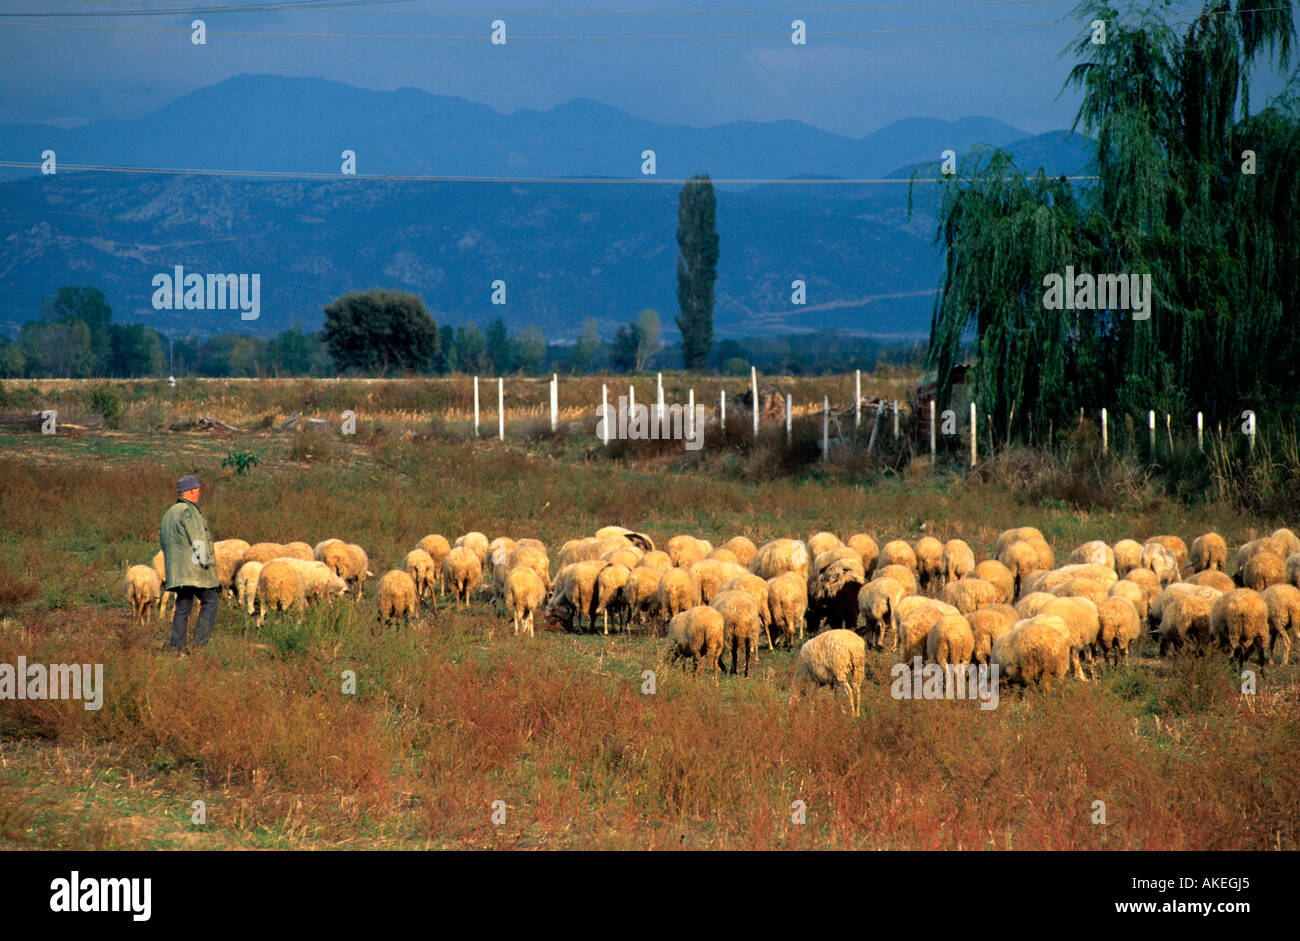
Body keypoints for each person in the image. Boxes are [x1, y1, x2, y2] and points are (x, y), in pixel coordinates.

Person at [159, 474, 218, 653]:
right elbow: (198, 538)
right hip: (193, 570)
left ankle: (177, 647)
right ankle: (199, 645)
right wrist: (205, 562)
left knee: (183, 605)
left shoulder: (169, 513)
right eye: (198, 489)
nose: (199, 492)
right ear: (192, 490)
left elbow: (163, 541)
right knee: (211, 600)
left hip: (177, 571)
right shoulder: (189, 511)